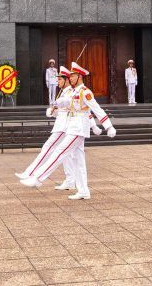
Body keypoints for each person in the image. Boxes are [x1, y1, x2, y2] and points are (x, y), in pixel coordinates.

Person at [20, 61, 116, 200]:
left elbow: (96, 109)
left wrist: (108, 126)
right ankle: (83, 191)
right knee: (79, 161)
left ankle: (38, 178)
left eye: (73, 76)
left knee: (59, 152)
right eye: (70, 76)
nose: (70, 78)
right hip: (73, 127)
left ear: (80, 77)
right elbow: (67, 101)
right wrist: (58, 103)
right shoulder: (74, 92)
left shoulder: (85, 92)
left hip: (78, 129)